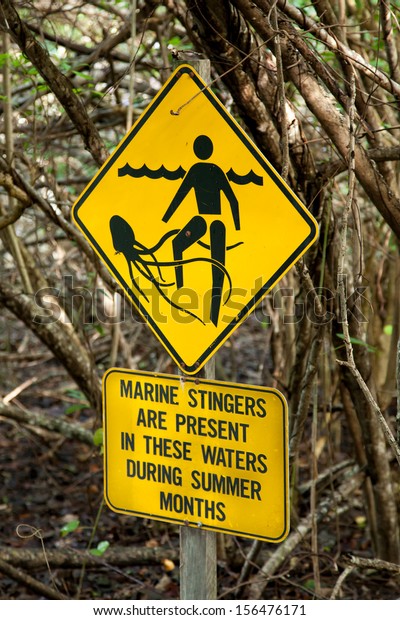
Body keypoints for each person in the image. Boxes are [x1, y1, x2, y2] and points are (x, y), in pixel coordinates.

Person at [162, 135, 240, 326]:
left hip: (202, 222)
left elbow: (180, 195)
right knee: (218, 270)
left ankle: (181, 294)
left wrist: (166, 218)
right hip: (219, 224)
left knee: (176, 245)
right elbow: (233, 200)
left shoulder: (196, 170)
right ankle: (214, 315)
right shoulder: (217, 171)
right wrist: (236, 226)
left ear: (197, 150)